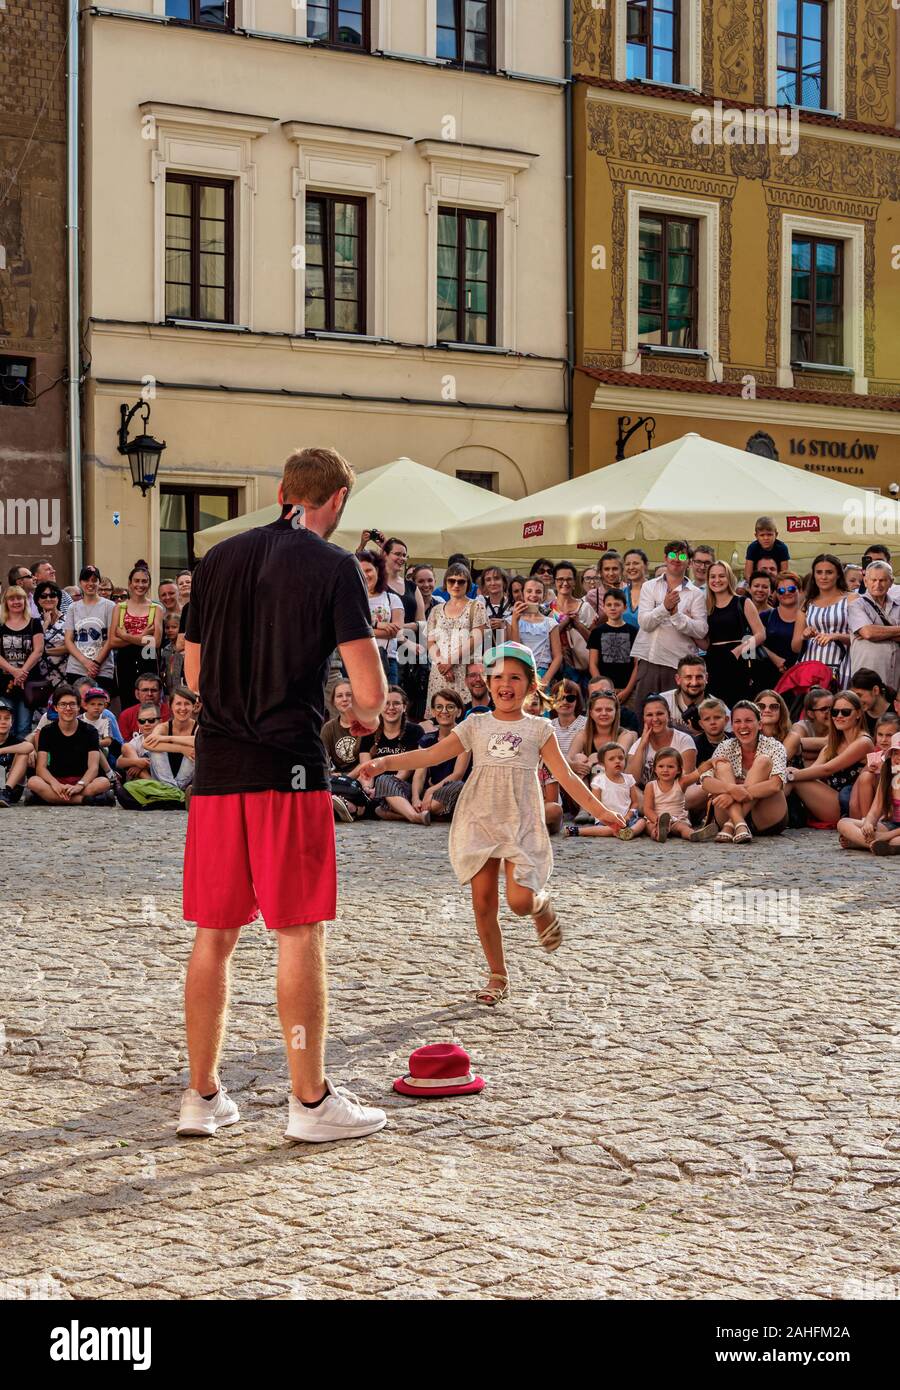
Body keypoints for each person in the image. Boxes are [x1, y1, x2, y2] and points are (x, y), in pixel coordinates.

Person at [179, 444, 388, 1145]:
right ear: (334, 503)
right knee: (298, 929)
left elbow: (197, 674)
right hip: (288, 772)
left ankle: (202, 1097)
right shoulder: (334, 567)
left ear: (281, 493)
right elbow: (371, 695)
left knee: (215, 936)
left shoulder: (218, 561)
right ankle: (310, 1102)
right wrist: (357, 719)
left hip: (216, 770)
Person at [360, 643, 624, 1005]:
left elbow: (566, 777)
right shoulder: (476, 724)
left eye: (515, 677)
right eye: (498, 676)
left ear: (531, 685)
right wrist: (384, 765)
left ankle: (540, 904)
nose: (505, 684)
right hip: (480, 819)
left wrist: (603, 811)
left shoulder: (539, 729)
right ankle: (497, 975)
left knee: (518, 901)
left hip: (520, 821)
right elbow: (432, 754)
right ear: (486, 681)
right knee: (483, 904)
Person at [697, 698, 790, 841]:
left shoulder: (774, 746)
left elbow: (775, 785)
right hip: (727, 811)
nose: (743, 726)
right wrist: (730, 788)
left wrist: (733, 793)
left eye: (748, 721)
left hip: (766, 816)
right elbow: (706, 782)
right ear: (732, 725)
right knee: (721, 765)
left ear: (759, 724)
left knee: (763, 761)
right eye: (738, 721)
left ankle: (731, 824)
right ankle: (738, 822)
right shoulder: (725, 746)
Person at [632, 541, 707, 712]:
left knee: (675, 717)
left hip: (678, 664)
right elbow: (644, 623)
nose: (676, 559)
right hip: (650, 660)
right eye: (672, 555)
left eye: (682, 555)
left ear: (688, 561)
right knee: (645, 715)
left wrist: (676, 615)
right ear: (665, 558)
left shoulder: (696, 593)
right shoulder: (649, 586)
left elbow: (701, 630)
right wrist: (665, 608)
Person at [786, 689, 873, 825]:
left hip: (849, 805)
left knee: (794, 778)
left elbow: (827, 769)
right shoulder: (834, 744)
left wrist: (790, 775)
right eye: (834, 712)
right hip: (834, 800)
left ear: (858, 714)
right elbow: (814, 770)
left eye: (845, 712)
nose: (838, 716)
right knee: (792, 774)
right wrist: (788, 772)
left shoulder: (864, 742)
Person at [27, 683, 111, 805]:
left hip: (82, 780)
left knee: (103, 782)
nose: (68, 708)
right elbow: (41, 768)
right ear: (56, 707)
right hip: (55, 780)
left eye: (72, 704)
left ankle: (49, 798)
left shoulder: (90, 731)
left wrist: (80, 785)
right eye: (63, 704)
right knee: (33, 782)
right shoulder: (47, 731)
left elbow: (93, 768)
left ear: (79, 707)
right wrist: (54, 784)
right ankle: (84, 800)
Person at [357, 686, 429, 824]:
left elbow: (406, 771)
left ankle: (414, 817)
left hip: (402, 788)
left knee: (384, 780)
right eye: (386, 703)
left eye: (396, 703)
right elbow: (365, 769)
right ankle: (403, 814)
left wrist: (379, 788)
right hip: (374, 792)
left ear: (404, 707)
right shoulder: (369, 732)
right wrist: (367, 788)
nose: (391, 708)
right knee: (374, 806)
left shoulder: (414, 731)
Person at [700, 561, 766, 708]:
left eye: (721, 576)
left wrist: (737, 651)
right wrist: (687, 628)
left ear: (729, 577)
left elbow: (761, 634)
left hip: (737, 660)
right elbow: (706, 643)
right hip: (714, 661)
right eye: (713, 577)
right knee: (716, 706)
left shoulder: (742, 602)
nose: (717, 580)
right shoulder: (706, 606)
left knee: (738, 705)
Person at [123, 685, 199, 809]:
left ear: (193, 706)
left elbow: (199, 741)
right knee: (155, 749)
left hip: (185, 781)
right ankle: (178, 796)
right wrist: (180, 748)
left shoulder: (198, 728)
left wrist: (168, 739)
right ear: (171, 706)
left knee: (195, 751)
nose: (183, 708)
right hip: (163, 780)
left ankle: (171, 795)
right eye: (178, 704)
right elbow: (147, 744)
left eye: (187, 704)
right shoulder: (163, 727)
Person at [425, 562, 487, 708]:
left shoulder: (476, 606)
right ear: (446, 583)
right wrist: (442, 664)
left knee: (464, 715)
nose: (456, 585)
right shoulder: (436, 610)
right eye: (451, 581)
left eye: (461, 581)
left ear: (468, 584)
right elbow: (430, 642)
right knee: (440, 715)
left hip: (465, 670)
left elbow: (477, 638)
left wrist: (450, 662)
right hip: (440, 672)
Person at [793, 553, 856, 688]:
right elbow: (795, 647)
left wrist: (836, 636)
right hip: (810, 667)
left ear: (838, 574)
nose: (823, 577)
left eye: (829, 572)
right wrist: (804, 636)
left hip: (842, 666)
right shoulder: (807, 604)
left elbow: (860, 637)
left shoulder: (851, 599)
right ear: (814, 574)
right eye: (819, 572)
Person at [565, 741, 645, 840]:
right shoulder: (599, 780)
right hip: (606, 819)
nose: (617, 761)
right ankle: (578, 831)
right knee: (609, 829)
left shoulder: (629, 779)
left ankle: (630, 832)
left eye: (621, 758)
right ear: (602, 764)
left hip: (627, 818)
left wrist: (628, 816)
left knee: (642, 822)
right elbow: (596, 803)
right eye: (612, 759)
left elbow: (635, 803)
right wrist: (607, 818)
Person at [837, 731, 900, 853]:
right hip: (890, 824)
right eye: (895, 753)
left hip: (896, 834)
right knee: (843, 823)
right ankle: (876, 844)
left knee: (895, 841)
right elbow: (876, 808)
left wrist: (886, 836)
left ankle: (860, 843)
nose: (898, 758)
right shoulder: (888, 776)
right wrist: (869, 823)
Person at [110, 564, 163, 709]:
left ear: (149, 584)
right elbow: (113, 641)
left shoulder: (156, 608)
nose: (140, 585)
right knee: (127, 702)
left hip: (148, 657)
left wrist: (125, 636)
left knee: (150, 700)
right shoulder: (120, 608)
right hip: (125, 659)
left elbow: (156, 642)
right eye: (137, 581)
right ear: (130, 583)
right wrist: (143, 635)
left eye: (144, 581)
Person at [413, 688, 470, 819]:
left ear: (459, 711)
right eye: (439, 707)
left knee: (459, 786)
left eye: (450, 707)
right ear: (433, 711)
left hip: (451, 790)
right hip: (429, 795)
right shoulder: (427, 739)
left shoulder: (464, 737)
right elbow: (420, 774)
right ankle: (418, 812)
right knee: (385, 780)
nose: (444, 711)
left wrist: (431, 790)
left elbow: (458, 774)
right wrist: (415, 798)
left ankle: (412, 812)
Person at [63, 565, 117, 700]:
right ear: (81, 583)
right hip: (77, 667)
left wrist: (96, 663)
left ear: (99, 582)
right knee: (78, 707)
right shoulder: (73, 607)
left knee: (100, 708)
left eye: (94, 580)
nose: (90, 584)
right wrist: (86, 662)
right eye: (86, 580)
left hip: (102, 668)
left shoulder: (109, 606)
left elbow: (110, 639)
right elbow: (68, 640)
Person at [322, 679, 371, 821]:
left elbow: (365, 764)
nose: (344, 699)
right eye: (339, 696)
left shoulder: (367, 723)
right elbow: (323, 760)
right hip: (338, 778)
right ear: (333, 701)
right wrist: (330, 774)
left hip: (364, 777)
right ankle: (350, 807)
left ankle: (345, 805)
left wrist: (346, 778)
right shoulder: (329, 728)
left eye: (349, 695)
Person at [1, 584, 45, 739]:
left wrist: (21, 673)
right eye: (11, 599)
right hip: (4, 683)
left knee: (23, 727)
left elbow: (38, 650)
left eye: (19, 598)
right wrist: (14, 671)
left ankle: (21, 761)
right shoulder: (0, 624)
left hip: (28, 683)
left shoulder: (35, 623)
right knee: (5, 726)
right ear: (5, 602)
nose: (16, 602)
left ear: (25, 601)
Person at [570, 690, 638, 790]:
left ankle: (595, 803)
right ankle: (586, 804)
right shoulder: (584, 734)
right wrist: (574, 765)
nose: (604, 713)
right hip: (588, 786)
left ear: (616, 712)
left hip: (617, 786)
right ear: (591, 713)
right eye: (598, 710)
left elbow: (615, 756)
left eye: (609, 710)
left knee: (598, 766)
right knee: (579, 758)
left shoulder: (625, 735)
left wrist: (594, 759)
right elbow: (568, 758)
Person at [626, 694, 697, 787]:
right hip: (647, 797)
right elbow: (631, 780)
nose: (655, 719)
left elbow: (685, 780)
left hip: (679, 794)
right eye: (649, 715)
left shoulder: (684, 740)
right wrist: (642, 745)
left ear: (669, 715)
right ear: (643, 718)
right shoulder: (638, 744)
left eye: (660, 713)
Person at [848, 561, 900, 687]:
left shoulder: (898, 606)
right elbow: (868, 633)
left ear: (891, 582)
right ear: (866, 582)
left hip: (895, 679)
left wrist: (878, 632)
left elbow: (871, 632)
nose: (878, 584)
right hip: (866, 680)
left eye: (882, 580)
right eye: (873, 580)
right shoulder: (856, 605)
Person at [356, 548, 404, 685]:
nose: (365, 575)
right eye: (360, 571)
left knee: (388, 703)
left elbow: (397, 631)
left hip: (387, 660)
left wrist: (364, 629)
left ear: (378, 570)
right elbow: (351, 630)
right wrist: (379, 625)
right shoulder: (351, 600)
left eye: (368, 570)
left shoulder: (392, 599)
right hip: (357, 660)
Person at [587, 587, 637, 704]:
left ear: (625, 607)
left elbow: (637, 665)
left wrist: (628, 690)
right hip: (603, 691)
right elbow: (592, 664)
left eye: (617, 604)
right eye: (609, 605)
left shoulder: (633, 632)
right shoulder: (597, 632)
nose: (613, 608)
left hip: (628, 690)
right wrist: (604, 688)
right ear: (604, 608)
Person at [755, 569, 803, 689]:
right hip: (768, 677)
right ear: (775, 593)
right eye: (781, 590)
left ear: (800, 590)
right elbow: (748, 641)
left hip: (800, 678)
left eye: (791, 589)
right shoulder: (766, 616)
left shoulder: (810, 616)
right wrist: (775, 658)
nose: (786, 593)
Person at [847, 711, 900, 819]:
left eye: (889, 735)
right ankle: (866, 821)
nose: (884, 739)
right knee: (865, 776)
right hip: (877, 805)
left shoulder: (897, 757)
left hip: (894, 803)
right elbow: (859, 785)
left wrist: (884, 770)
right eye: (880, 734)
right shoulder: (877, 755)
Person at [509, 576, 561, 684]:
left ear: (543, 596)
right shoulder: (510, 621)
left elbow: (558, 656)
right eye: (529, 591)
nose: (533, 595)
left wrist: (545, 679)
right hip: (519, 672)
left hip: (543, 673)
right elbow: (515, 650)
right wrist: (515, 620)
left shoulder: (550, 623)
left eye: (538, 592)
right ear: (523, 594)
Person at [551, 562, 595, 688]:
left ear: (575, 582)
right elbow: (544, 639)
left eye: (569, 579)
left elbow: (594, 640)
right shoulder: (546, 609)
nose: (565, 583)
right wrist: (564, 624)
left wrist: (577, 625)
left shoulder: (585, 607)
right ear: (555, 582)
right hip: (554, 670)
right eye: (560, 579)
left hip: (581, 670)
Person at [644, 747, 693, 841]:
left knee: (683, 828)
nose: (665, 770)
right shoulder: (651, 786)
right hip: (656, 820)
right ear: (655, 769)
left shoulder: (681, 783)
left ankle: (692, 835)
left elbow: (696, 774)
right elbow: (648, 809)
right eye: (661, 766)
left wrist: (710, 763)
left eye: (670, 767)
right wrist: (658, 821)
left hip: (677, 819)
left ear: (679, 770)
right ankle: (658, 835)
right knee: (649, 827)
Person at [658, 656, 715, 734]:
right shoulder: (663, 701)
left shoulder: (718, 707)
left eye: (699, 677)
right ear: (678, 679)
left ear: (706, 678)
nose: (694, 683)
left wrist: (700, 735)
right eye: (688, 677)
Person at [783, 686, 833, 766]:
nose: (830, 712)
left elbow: (830, 743)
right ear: (811, 714)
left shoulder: (839, 725)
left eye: (832, 708)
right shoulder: (801, 726)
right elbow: (794, 748)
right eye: (824, 709)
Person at [34, 580, 68, 696]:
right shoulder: (34, 622)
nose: (48, 598)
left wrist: (44, 652)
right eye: (43, 596)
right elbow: (34, 647)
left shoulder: (69, 620)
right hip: (42, 677)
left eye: (52, 595)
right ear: (38, 600)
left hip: (65, 674)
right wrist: (46, 622)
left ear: (58, 598)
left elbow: (70, 647)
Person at [118, 674, 172, 743]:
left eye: (154, 690)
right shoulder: (126, 715)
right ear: (137, 693)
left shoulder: (172, 712)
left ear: (161, 692)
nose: (149, 694)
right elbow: (125, 745)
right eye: (145, 690)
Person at [80, 686, 123, 769]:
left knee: (97, 750)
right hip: (82, 750)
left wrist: (93, 744)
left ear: (105, 706)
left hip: (101, 750)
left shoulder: (106, 720)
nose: (96, 707)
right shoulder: (79, 719)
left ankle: (109, 773)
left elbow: (108, 741)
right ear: (85, 705)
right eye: (92, 704)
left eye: (100, 704)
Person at [0, 697, 33, 806]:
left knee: (23, 753)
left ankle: (6, 792)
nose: (3, 722)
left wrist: (1, 750)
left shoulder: (14, 739)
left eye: (6, 718)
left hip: (12, 790)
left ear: (12, 722)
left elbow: (28, 746)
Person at [849, 668, 895, 737]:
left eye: (859, 695)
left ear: (875, 690)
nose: (856, 700)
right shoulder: (857, 715)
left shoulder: (897, 711)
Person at [743, 516, 790, 582]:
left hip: (776, 579)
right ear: (756, 536)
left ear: (776, 535)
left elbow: (784, 573)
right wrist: (753, 584)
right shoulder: (752, 547)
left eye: (769, 535)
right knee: (740, 589)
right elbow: (748, 573)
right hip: (756, 579)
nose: (766, 538)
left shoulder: (782, 548)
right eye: (762, 535)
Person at [621, 548, 649, 628]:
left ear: (646, 565)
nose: (631, 567)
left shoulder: (655, 592)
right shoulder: (621, 594)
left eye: (636, 563)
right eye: (627, 564)